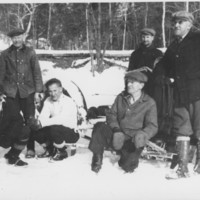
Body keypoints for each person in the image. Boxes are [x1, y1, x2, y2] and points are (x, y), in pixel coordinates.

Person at [155, 11, 200, 178]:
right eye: (174, 22)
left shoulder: (197, 39)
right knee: (182, 130)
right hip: (179, 95)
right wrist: (160, 75)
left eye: (181, 22)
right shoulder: (174, 45)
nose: (176, 25)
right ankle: (182, 168)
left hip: (197, 93)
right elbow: (163, 65)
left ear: (189, 24)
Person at [88, 71, 158, 173]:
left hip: (133, 140)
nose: (128, 84)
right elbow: (111, 115)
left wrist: (143, 134)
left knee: (128, 166)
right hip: (117, 134)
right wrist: (116, 129)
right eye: (128, 82)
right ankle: (97, 160)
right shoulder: (121, 97)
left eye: (132, 82)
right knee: (99, 127)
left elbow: (152, 125)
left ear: (141, 85)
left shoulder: (149, 103)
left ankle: (125, 157)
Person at [0, 28, 43, 159]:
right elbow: (0, 74)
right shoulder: (5, 54)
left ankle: (30, 148)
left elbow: (37, 72)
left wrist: (38, 91)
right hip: (11, 93)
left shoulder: (30, 53)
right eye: (14, 38)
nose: (17, 40)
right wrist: (0, 92)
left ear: (23, 37)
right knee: (13, 120)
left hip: (28, 92)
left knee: (30, 120)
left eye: (19, 37)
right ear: (11, 39)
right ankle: (14, 149)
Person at [29, 78, 80, 161]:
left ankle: (62, 152)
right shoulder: (48, 100)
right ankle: (50, 150)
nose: (52, 94)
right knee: (35, 130)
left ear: (61, 89)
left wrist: (41, 123)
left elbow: (61, 119)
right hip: (55, 130)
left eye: (55, 90)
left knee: (54, 128)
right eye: (50, 91)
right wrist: (37, 123)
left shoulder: (68, 101)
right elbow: (43, 116)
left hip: (71, 133)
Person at [128, 28, 163, 96]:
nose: (145, 39)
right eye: (143, 37)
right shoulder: (135, 54)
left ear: (152, 38)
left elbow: (161, 73)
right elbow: (130, 72)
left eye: (148, 37)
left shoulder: (158, 54)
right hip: (137, 88)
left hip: (153, 88)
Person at [0, 87, 30, 166]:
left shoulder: (9, 103)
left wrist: (9, 136)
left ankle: (13, 155)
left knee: (24, 130)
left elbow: (18, 120)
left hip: (4, 134)